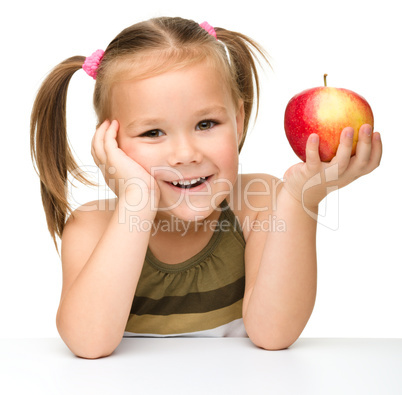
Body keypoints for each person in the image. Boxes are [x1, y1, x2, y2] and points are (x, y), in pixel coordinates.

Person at [30, 17, 382, 359]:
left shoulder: (259, 204)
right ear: (111, 143)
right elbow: (89, 343)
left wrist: (302, 197)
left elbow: (274, 334)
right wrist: (136, 202)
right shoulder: (91, 226)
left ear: (238, 121)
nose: (185, 154)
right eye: (153, 132)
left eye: (206, 123)